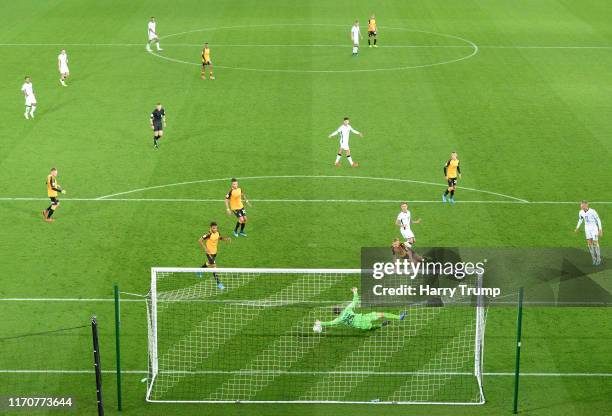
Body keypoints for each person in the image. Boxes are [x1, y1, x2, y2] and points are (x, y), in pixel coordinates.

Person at [315, 288, 407, 332]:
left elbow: (330, 323)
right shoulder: (347, 309)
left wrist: (320, 323)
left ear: (336, 314)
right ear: (340, 309)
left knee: (372, 328)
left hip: (361, 325)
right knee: (382, 314)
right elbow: (355, 301)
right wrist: (355, 292)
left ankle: (381, 325)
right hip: (364, 318)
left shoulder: (339, 319)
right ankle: (399, 317)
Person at [198, 222, 231, 289]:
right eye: (213, 228)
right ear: (211, 228)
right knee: (214, 267)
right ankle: (218, 283)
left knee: (209, 263)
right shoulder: (208, 234)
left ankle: (199, 271)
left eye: (216, 228)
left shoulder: (217, 232)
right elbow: (200, 240)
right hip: (209, 253)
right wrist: (205, 249)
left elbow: (219, 238)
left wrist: (226, 239)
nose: (215, 229)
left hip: (215, 252)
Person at [574, 201, 603, 265]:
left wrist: (600, 229)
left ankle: (598, 258)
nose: (581, 207)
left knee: (595, 243)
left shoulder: (593, 211)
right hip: (587, 229)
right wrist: (577, 227)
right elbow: (580, 219)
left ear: (586, 206)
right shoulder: (581, 212)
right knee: (589, 244)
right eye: (581, 206)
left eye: (582, 206)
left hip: (594, 229)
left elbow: (598, 220)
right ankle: (593, 258)